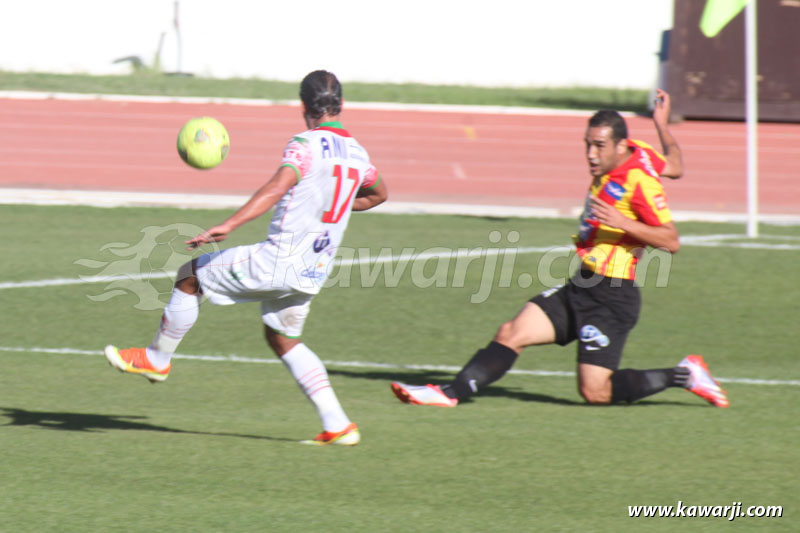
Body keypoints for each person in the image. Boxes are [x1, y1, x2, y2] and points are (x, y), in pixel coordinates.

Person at [391, 89, 729, 409]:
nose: (591, 155)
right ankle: (449, 393)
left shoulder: (640, 181)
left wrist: (622, 221)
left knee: (595, 392)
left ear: (619, 145)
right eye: (587, 145)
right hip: (582, 285)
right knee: (512, 332)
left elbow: (671, 241)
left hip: (613, 298)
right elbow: (676, 165)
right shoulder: (639, 151)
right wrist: (660, 123)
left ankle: (685, 374)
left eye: (599, 146)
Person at [105, 70, 388, 445]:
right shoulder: (357, 153)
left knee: (190, 275)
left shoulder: (304, 144)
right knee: (283, 338)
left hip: (279, 259)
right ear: (341, 105)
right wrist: (327, 208)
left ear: (304, 106)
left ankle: (157, 358)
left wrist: (229, 224)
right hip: (314, 268)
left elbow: (277, 186)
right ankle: (338, 425)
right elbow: (379, 193)